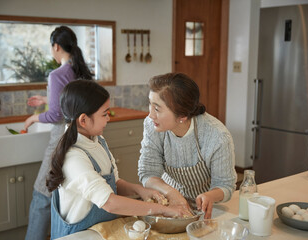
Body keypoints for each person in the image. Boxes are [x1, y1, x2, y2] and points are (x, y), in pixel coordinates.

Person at [46, 80, 190, 239]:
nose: (108, 118)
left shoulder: (98, 140)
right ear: (84, 120)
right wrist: (163, 210)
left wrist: (140, 190)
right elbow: (109, 202)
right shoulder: (74, 158)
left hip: (101, 230)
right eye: (104, 114)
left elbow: (114, 183)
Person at [24, 26, 94, 240]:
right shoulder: (80, 71)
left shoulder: (57, 74)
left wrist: (32, 118)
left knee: (42, 196)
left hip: (60, 140)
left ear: (56, 47)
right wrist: (46, 99)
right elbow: (72, 103)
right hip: (82, 138)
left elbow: (55, 115)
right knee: (66, 196)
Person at [138, 72, 237, 219]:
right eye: (150, 104)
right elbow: (147, 172)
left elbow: (225, 185)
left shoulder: (217, 136)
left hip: (206, 210)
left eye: (157, 109)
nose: (150, 114)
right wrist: (171, 193)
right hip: (169, 203)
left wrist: (210, 195)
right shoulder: (152, 125)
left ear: (182, 116)